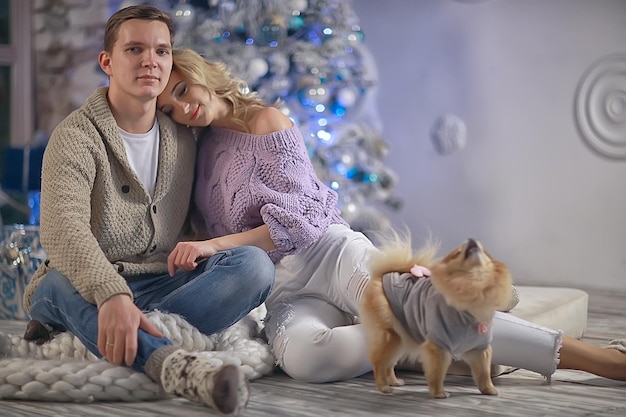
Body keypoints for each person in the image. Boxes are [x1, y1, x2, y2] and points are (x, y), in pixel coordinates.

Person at [157, 47, 626, 383]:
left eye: (181, 90)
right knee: (308, 360)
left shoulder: (268, 122)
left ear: (200, 72)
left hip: (330, 253)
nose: (182, 107)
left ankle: (601, 360)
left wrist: (214, 246)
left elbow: (300, 225)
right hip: (284, 290)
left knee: (426, 310)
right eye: (170, 110)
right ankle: (418, 325)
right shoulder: (202, 150)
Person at [22, 6, 274, 415]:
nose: (150, 62)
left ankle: (115, 331)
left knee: (255, 266)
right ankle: (174, 366)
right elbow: (62, 230)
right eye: (135, 49)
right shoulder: (74, 137)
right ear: (107, 61)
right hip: (82, 280)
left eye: (161, 51)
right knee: (58, 286)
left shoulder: (184, 136)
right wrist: (110, 293)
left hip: (161, 283)